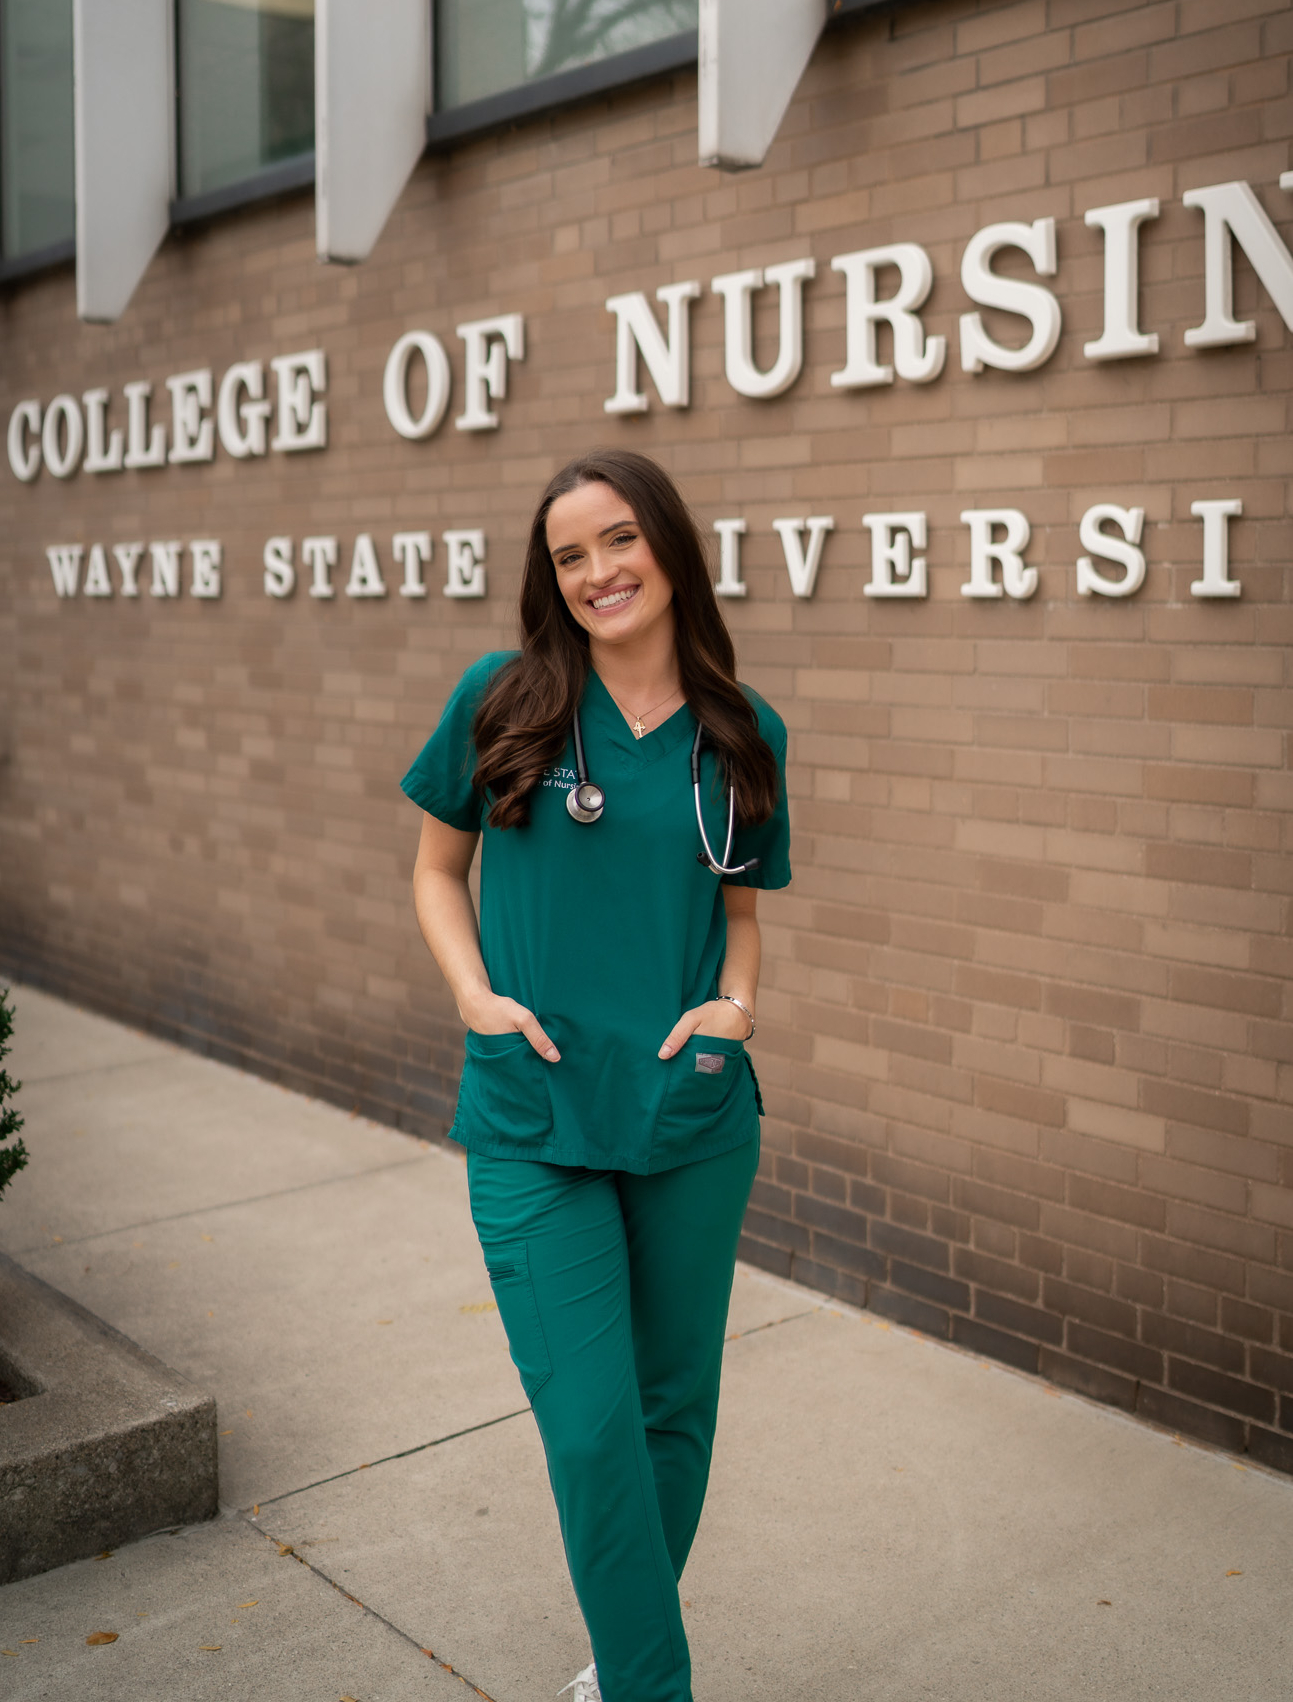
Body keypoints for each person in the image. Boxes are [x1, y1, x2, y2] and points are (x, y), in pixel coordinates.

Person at [401, 449, 791, 1702]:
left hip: (689, 1116)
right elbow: (433, 872)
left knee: (673, 1410)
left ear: (668, 546)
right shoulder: (502, 701)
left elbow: (740, 918)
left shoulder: (741, 730)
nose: (597, 572)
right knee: (589, 1425)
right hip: (534, 1112)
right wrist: (474, 996)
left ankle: (623, 1658)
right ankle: (649, 1682)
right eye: (569, 555)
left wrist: (737, 1010)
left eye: (618, 540)